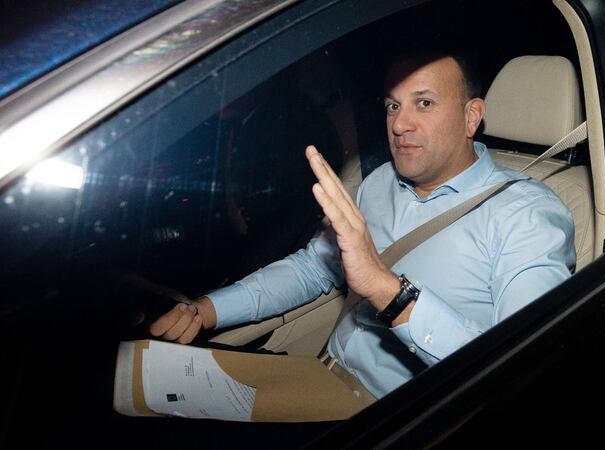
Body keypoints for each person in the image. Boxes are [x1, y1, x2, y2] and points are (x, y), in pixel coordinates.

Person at [150, 50, 576, 400]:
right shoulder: (379, 182)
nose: (399, 124)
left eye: (423, 103)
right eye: (393, 105)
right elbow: (313, 268)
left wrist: (388, 291)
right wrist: (208, 309)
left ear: (471, 116)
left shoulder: (526, 216)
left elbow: (521, 367)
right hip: (315, 377)